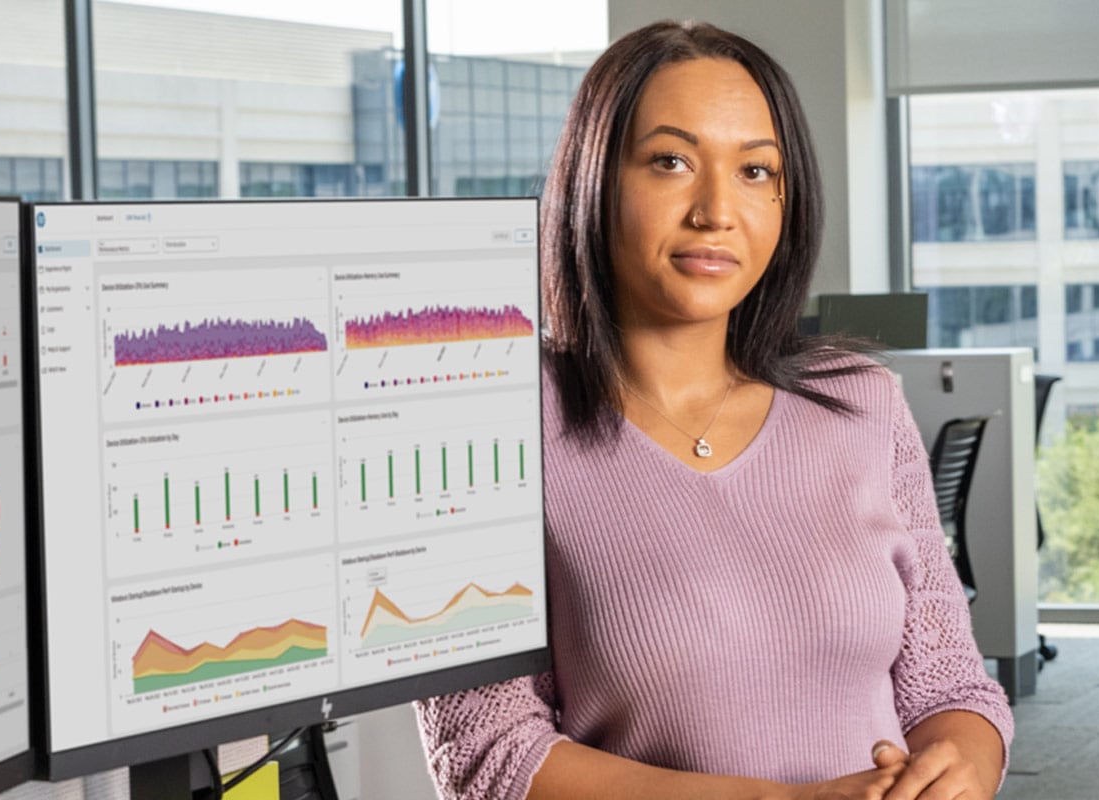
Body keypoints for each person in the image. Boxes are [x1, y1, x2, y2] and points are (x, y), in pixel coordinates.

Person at [413, 20, 1012, 800]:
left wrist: (958, 762)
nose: (717, 210)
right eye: (670, 162)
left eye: (757, 171)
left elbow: (949, 687)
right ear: (594, 180)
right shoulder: (487, 424)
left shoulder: (861, 401)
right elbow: (488, 755)